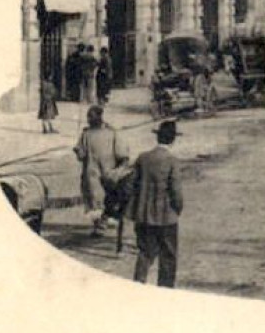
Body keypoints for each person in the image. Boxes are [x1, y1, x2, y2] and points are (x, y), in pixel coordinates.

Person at [128, 120, 184, 288]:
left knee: (145, 253)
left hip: (144, 216)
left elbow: (132, 184)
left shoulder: (143, 158)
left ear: (157, 137)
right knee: (168, 256)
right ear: (173, 140)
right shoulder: (172, 161)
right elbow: (176, 192)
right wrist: (177, 209)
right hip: (166, 217)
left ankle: (138, 285)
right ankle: (165, 290)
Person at [74, 105, 128, 236]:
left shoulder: (86, 134)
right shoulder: (111, 132)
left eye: (90, 117)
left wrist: (77, 151)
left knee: (95, 200)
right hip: (108, 173)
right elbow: (122, 154)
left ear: (98, 117)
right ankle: (102, 222)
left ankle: (100, 224)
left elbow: (81, 156)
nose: (88, 119)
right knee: (104, 199)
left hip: (94, 175)